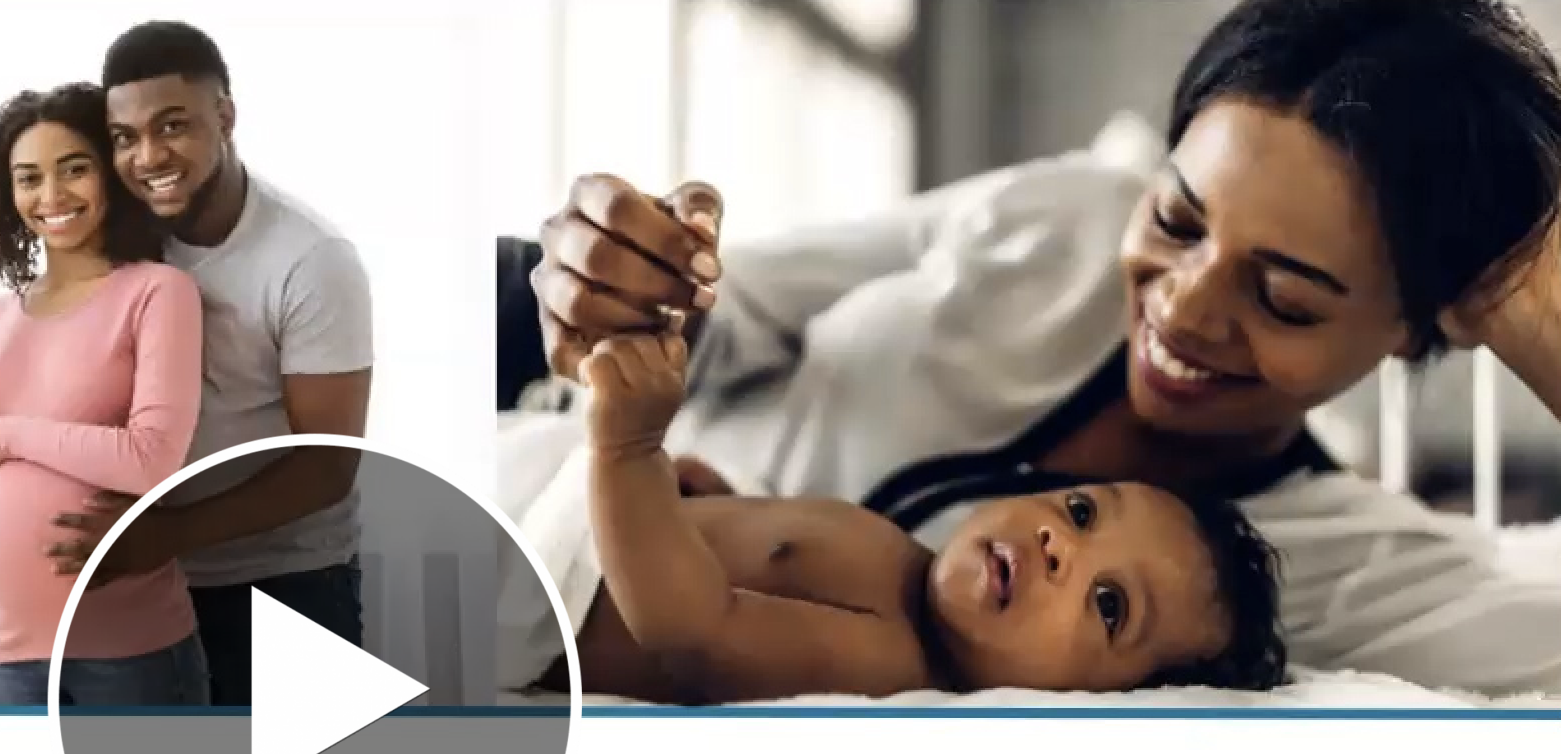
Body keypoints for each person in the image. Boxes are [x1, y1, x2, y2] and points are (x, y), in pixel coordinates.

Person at [501, 0, 1561, 697]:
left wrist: (1521, 289)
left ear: (1422, 323)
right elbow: (734, 307)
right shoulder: (1069, 215)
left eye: (1283, 298)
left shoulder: (1357, 572)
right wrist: (629, 273)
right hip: (557, 421)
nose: (1183, 311)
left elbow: (690, 623)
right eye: (1179, 222)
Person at [521, 330, 1287, 703]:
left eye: (1110, 604)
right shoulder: (898, 562)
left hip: (540, 590)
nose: (1061, 548)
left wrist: (629, 448)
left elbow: (687, 625)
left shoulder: (884, 660)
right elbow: (765, 563)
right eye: (1083, 511)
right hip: (577, 508)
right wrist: (706, 498)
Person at [39, 20, 373, 707]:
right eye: (125, 137)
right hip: (148, 587)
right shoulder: (119, 238)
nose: (148, 155)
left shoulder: (311, 260)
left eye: (173, 126)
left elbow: (329, 464)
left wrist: (162, 534)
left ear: (224, 114)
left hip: (287, 589)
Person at [0, 83, 208, 707]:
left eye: (74, 169)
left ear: (109, 173)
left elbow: (154, 457)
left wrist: (8, 434)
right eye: (29, 178)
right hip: (9, 656)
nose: (51, 196)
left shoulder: (158, 292)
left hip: (131, 652)